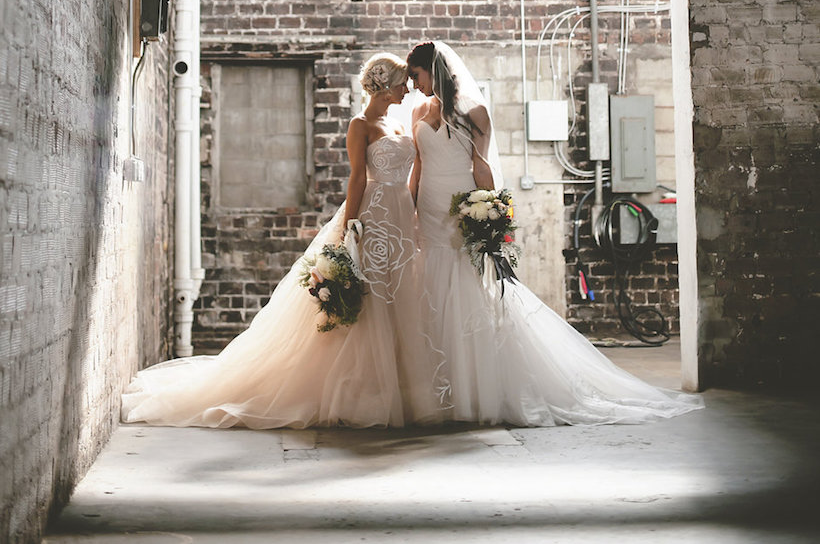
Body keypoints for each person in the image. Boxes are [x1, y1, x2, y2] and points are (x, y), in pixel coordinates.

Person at [122, 52, 449, 429]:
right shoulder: (360, 125)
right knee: (368, 299)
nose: (408, 88)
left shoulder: (399, 122)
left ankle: (397, 389)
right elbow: (357, 178)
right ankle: (357, 392)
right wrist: (349, 228)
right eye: (402, 82)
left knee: (399, 296)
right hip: (374, 215)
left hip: (400, 217)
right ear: (385, 84)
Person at [407, 39, 703, 426]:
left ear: (434, 69)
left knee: (466, 291)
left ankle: (474, 389)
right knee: (432, 287)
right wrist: (409, 211)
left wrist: (490, 214)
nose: (413, 84)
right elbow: (417, 166)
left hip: (460, 210)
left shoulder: (474, 112)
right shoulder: (418, 110)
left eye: (416, 75)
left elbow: (482, 168)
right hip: (428, 212)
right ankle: (437, 389)